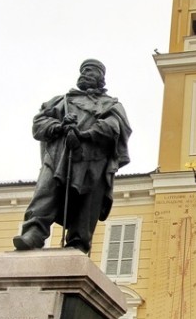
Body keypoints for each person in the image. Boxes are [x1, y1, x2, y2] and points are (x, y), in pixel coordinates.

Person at [13, 59, 131, 254]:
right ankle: (34, 232)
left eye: (91, 71)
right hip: (59, 156)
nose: (85, 74)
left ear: (101, 78)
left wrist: (84, 135)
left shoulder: (110, 104)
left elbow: (114, 127)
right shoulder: (62, 101)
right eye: (83, 71)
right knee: (46, 191)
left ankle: (79, 243)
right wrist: (59, 127)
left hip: (94, 159)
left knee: (88, 203)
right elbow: (39, 123)